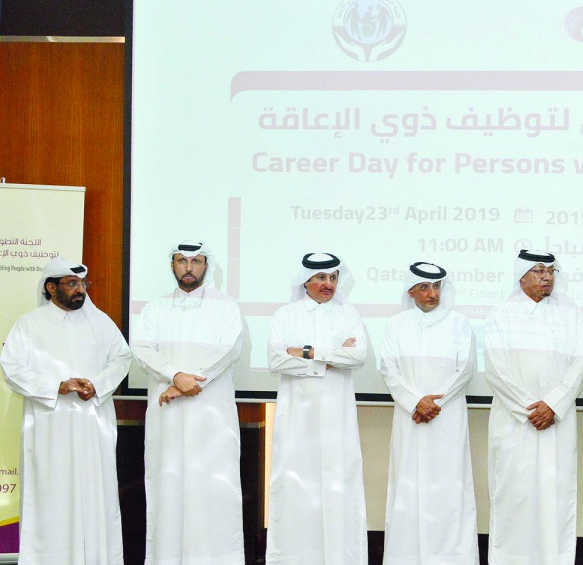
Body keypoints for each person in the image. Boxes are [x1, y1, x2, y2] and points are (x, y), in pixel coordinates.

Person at [0, 257, 132, 564]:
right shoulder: (29, 324)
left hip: (92, 424)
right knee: (52, 496)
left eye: (82, 284)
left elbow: (121, 358)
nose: (80, 291)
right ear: (51, 287)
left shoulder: (99, 322)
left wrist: (97, 385)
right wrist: (56, 386)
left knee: (94, 495)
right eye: (72, 284)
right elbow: (12, 368)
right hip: (49, 426)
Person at [130, 241, 246, 564]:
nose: (189, 268)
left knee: (212, 491)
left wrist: (185, 383)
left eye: (196, 261)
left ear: (206, 265)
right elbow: (142, 349)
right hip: (167, 420)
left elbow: (229, 351)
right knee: (168, 489)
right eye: (182, 261)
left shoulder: (226, 307)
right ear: (173, 266)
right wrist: (174, 375)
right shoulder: (154, 309)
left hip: (212, 419)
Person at [484, 250, 583, 565]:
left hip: (556, 422)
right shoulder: (501, 313)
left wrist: (553, 406)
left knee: (555, 499)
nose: (547, 277)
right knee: (514, 498)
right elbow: (496, 369)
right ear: (523, 276)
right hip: (516, 424)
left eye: (551, 271)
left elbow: (578, 363)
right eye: (540, 271)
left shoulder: (570, 314)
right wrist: (531, 409)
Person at [266, 253, 369, 564]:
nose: (328, 284)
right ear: (305, 281)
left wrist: (308, 352)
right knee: (296, 486)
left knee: (340, 487)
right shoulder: (286, 315)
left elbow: (358, 357)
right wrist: (331, 358)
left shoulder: (349, 314)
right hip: (298, 416)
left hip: (338, 417)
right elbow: (277, 360)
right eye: (321, 278)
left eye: (333, 278)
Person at [377, 262, 479, 564]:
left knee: (449, 490)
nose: (432, 293)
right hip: (411, 419)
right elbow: (389, 369)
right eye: (424, 287)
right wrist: (414, 402)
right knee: (407, 488)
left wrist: (435, 403)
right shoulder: (396, 325)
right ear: (411, 291)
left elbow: (466, 369)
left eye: (436, 287)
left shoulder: (458, 322)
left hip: (447, 419)